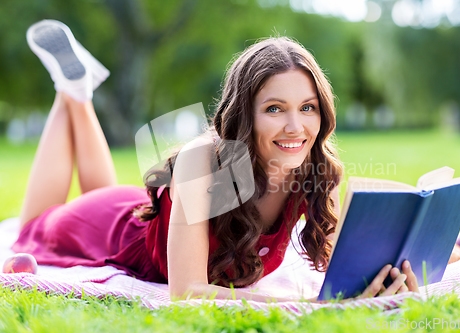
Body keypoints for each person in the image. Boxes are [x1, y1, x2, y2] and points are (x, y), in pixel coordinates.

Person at [12, 19, 420, 302]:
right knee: (32, 226)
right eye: (275, 109)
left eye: (308, 107)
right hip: (105, 230)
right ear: (245, 114)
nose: (296, 126)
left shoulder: (312, 171)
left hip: (133, 210)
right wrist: (309, 308)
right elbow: (186, 290)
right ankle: (71, 92)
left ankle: (76, 89)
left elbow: (341, 272)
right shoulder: (203, 160)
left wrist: (388, 278)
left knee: (101, 191)